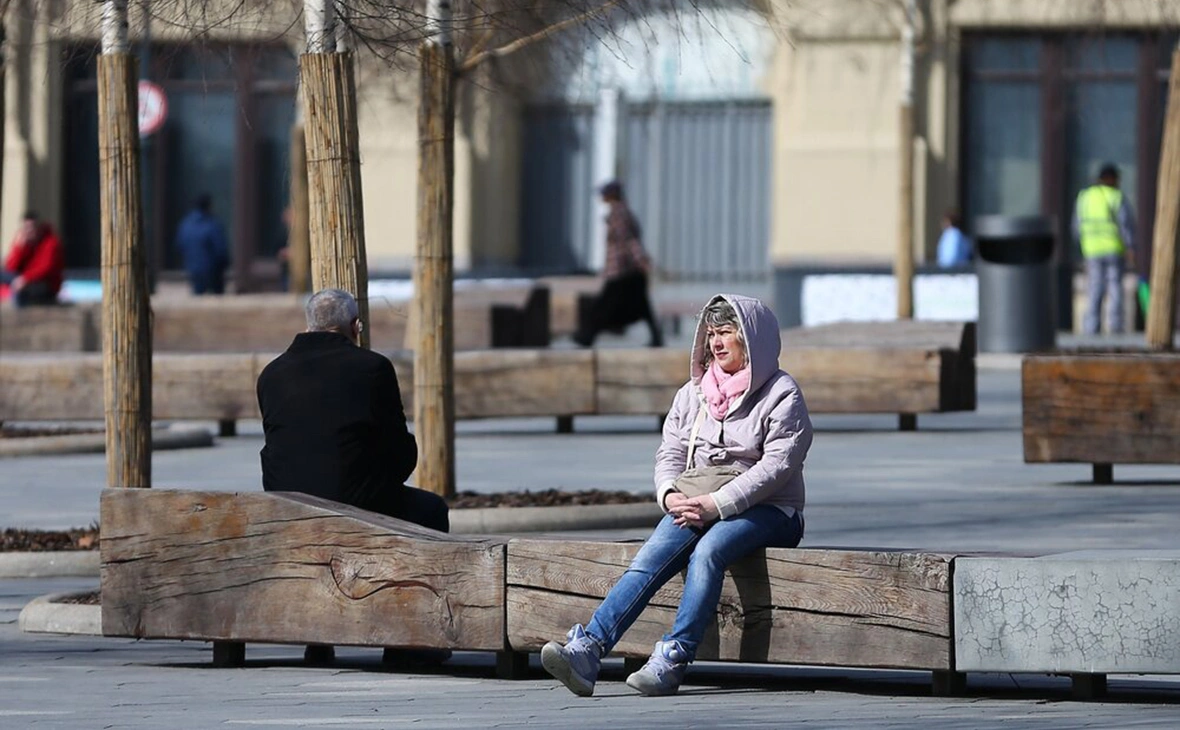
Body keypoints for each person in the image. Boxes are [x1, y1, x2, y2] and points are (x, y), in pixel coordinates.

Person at [543, 294, 812, 697]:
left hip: (772, 510)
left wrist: (716, 505)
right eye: (711, 334)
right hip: (695, 500)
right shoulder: (695, 392)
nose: (716, 343)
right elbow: (669, 451)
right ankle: (588, 649)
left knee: (709, 551)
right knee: (651, 554)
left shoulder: (782, 392)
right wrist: (669, 495)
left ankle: (673, 657)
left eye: (726, 333)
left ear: (752, 340)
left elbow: (776, 469)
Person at [256, 288, 450, 665]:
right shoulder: (373, 368)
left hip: (292, 510)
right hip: (359, 505)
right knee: (430, 511)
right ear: (355, 327)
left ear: (309, 325)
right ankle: (408, 644)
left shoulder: (271, 374)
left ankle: (320, 639)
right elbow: (400, 451)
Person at [573, 181, 663, 348]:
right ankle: (656, 337)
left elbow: (628, 241)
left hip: (622, 270)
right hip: (628, 270)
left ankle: (587, 336)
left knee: (602, 305)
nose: (602, 197)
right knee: (642, 307)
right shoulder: (622, 212)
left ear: (612, 195)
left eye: (605, 194)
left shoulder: (618, 214)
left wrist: (641, 261)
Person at [1073, 163, 1135, 335]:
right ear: (1112, 179)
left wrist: (1082, 246)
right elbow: (1126, 225)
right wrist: (1131, 247)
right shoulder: (1115, 197)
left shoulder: (1084, 197)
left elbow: (1076, 227)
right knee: (1114, 287)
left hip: (1091, 250)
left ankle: (1091, 327)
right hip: (1113, 249)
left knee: (1094, 288)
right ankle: (1115, 326)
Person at [2, 212, 64, 307]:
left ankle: (20, 316)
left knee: (21, 288)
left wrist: (25, 279)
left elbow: (46, 268)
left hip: (46, 285)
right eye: (26, 228)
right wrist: (19, 249)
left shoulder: (51, 242)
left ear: (39, 228)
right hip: (24, 281)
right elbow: (10, 268)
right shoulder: (23, 242)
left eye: (32, 227)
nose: (29, 231)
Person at [175, 194, 229, 295]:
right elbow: (220, 249)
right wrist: (224, 264)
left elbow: (180, 246)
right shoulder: (212, 224)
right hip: (212, 270)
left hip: (193, 269)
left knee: (197, 298)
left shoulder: (185, 224)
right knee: (217, 300)